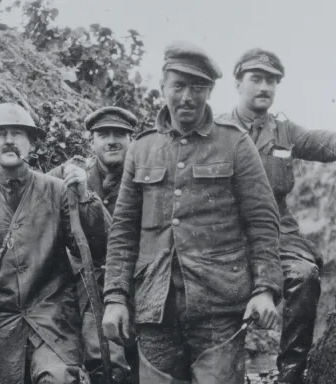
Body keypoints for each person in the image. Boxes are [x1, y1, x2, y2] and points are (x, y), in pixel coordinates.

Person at [101, 41, 283, 384]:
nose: (187, 97)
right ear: (163, 88)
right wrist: (115, 298)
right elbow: (123, 233)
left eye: (198, 87)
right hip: (155, 308)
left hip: (219, 308)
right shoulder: (141, 150)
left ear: (210, 91)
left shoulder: (235, 144)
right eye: (178, 86)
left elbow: (262, 223)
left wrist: (264, 289)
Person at [216, 48, 336, 384]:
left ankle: (290, 374)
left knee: (305, 276)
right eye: (256, 79)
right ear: (238, 83)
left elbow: (323, 143)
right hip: (227, 233)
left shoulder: (282, 131)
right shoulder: (217, 130)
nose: (264, 88)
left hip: (278, 232)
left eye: (272, 81)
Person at [0, 102, 111, 383]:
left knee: (59, 378)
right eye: (0, 134)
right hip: (1, 333)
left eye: (17, 134)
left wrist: (85, 199)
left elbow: (101, 248)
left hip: (53, 324)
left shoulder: (57, 192)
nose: (8, 141)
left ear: (31, 144)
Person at [48, 106, 138, 383]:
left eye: (120, 134)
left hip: (133, 281)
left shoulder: (144, 176)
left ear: (131, 140)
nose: (112, 140)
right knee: (101, 361)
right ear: (91, 142)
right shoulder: (69, 173)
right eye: (103, 134)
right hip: (82, 285)